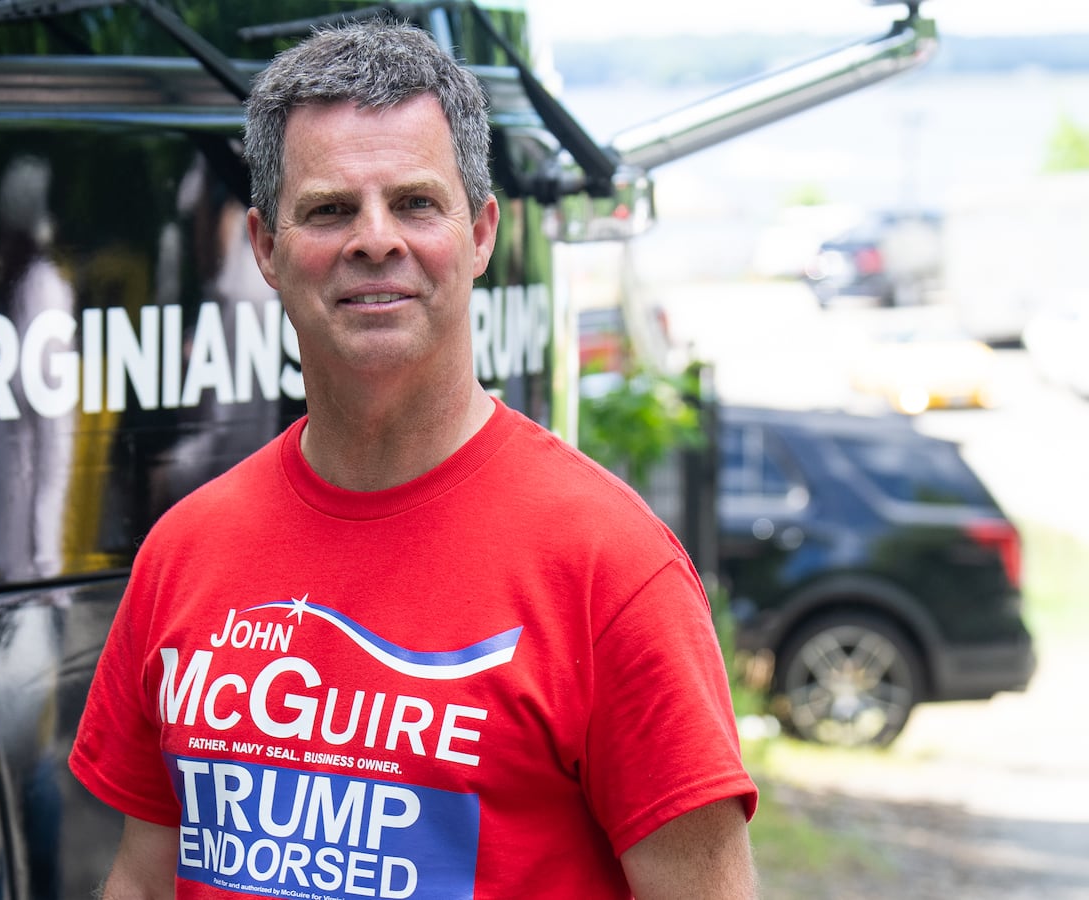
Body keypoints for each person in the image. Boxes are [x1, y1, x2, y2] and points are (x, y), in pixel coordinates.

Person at [68, 18, 757, 899]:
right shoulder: (184, 552)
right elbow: (142, 878)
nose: (375, 239)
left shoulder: (610, 572)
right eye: (330, 209)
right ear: (267, 249)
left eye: (416, 203)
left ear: (481, 234)